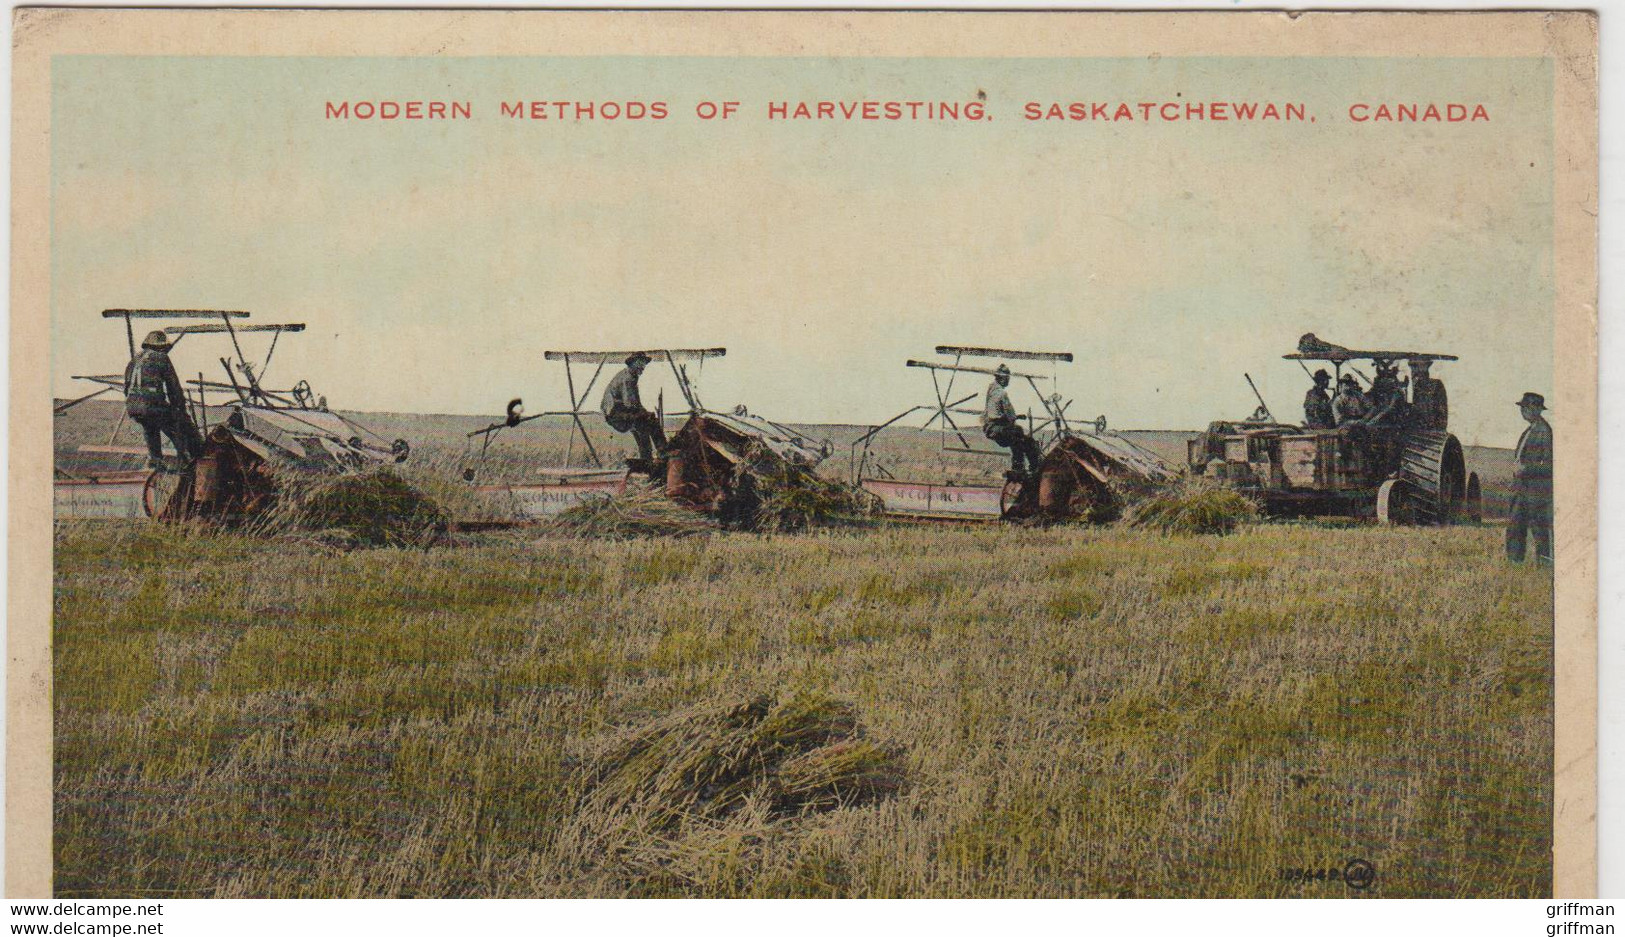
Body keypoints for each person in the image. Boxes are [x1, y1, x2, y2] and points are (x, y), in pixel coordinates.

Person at [123, 330, 202, 469]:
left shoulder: (134, 360)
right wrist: (180, 410)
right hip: (152, 406)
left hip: (133, 407)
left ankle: (156, 459)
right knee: (177, 426)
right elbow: (174, 388)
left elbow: (127, 387)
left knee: (150, 426)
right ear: (161, 346)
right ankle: (189, 460)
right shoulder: (161, 358)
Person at [1507, 391, 1553, 567]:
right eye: (1522, 407)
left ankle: (1545, 567)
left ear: (1536, 409)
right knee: (1515, 528)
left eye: (1525, 407)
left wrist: (1525, 469)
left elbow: (1549, 466)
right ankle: (1514, 564)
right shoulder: (1529, 430)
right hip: (1521, 490)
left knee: (1540, 531)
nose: (1522, 411)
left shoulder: (1544, 431)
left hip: (1536, 492)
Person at [600, 352, 667, 462]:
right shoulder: (628, 379)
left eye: (644, 364)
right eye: (641, 364)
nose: (643, 367)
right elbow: (631, 404)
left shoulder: (630, 376)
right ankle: (661, 452)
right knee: (644, 423)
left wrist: (645, 413)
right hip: (615, 414)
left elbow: (635, 403)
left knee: (644, 422)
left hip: (618, 412)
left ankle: (651, 456)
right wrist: (646, 414)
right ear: (633, 364)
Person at [982, 364, 1042, 478]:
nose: (1008, 380)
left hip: (990, 428)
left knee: (1018, 436)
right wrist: (1015, 417)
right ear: (1002, 378)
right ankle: (1025, 467)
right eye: (1007, 378)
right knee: (1021, 436)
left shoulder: (992, 389)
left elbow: (998, 411)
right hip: (996, 428)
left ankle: (1022, 466)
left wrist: (1016, 416)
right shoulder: (1002, 393)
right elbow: (1009, 415)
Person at [1407, 358, 1449, 431]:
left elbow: (1442, 410)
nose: (1415, 371)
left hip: (1431, 428)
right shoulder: (1415, 386)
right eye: (1413, 367)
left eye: (1419, 367)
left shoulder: (1435, 385)